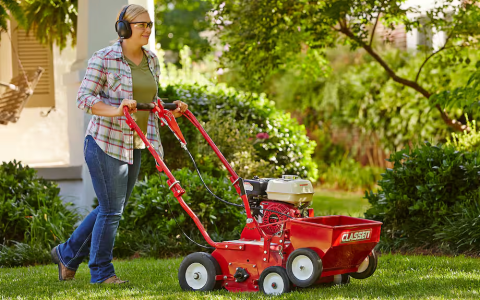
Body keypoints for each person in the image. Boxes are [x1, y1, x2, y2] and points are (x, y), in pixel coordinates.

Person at [50, 4, 188, 284]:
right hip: (105, 143)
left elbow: (146, 100)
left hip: (136, 142)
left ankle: (67, 253)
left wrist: (167, 109)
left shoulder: (152, 60)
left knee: (112, 207)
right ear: (123, 28)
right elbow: (84, 99)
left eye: (150, 24)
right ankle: (101, 272)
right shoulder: (103, 58)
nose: (147, 30)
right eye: (141, 25)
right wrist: (117, 109)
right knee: (111, 208)